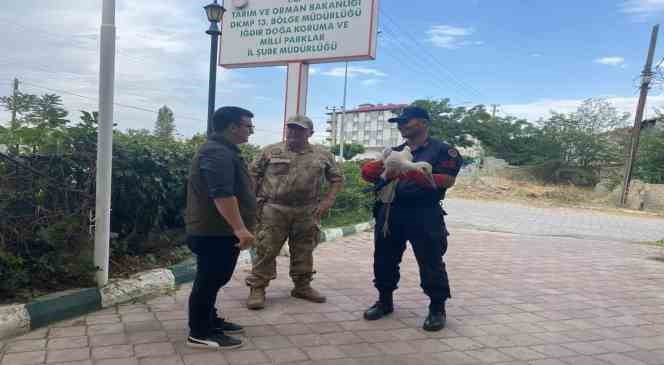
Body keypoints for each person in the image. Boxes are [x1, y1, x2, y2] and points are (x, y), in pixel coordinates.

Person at [359, 106, 463, 331]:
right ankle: (384, 301)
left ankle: (437, 308)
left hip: (423, 213)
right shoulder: (395, 151)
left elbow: (446, 180)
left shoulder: (443, 150)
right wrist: (377, 167)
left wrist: (407, 169)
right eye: (399, 121)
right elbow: (371, 175)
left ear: (424, 123)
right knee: (384, 259)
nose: (402, 124)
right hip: (390, 212)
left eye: (407, 120)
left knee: (431, 261)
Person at [245, 115, 344, 310]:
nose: (293, 133)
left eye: (299, 130)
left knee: (304, 249)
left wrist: (327, 201)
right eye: (290, 129)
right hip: (274, 208)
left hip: (307, 210)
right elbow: (253, 174)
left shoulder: (322, 154)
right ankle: (257, 288)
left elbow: (337, 178)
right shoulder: (270, 151)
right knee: (267, 248)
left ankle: (302, 286)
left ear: (310, 133)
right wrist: (252, 201)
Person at [184, 106, 257, 349]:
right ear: (232, 127)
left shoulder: (224, 150)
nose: (251, 131)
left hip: (219, 230)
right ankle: (200, 333)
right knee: (209, 280)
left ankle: (209, 320)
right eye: (247, 126)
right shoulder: (217, 153)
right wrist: (240, 229)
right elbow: (222, 194)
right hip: (214, 231)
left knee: (214, 279)